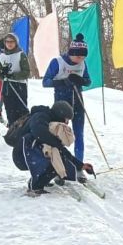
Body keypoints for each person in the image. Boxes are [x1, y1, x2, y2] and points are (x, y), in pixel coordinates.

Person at [10, 101, 94, 196]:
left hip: (28, 153)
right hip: (21, 155)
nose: (67, 122)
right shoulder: (41, 116)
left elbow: (60, 149)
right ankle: (35, 187)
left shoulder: (50, 122)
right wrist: (58, 144)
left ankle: (39, 180)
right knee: (54, 159)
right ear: (60, 114)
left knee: (57, 156)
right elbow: (40, 133)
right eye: (66, 119)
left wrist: (80, 165)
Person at [42, 34, 91, 168]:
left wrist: (81, 81)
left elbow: (88, 81)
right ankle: (58, 166)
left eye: (83, 57)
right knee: (59, 135)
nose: (80, 60)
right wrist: (63, 81)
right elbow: (45, 82)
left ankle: (78, 165)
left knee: (79, 134)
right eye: (78, 57)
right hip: (61, 104)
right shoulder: (57, 62)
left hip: (78, 101)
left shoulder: (82, 63)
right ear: (71, 53)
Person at [0, 32, 30, 128]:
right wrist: (2, 74)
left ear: (16, 43)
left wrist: (12, 76)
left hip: (19, 86)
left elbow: (26, 72)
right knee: (10, 111)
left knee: (22, 112)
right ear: (5, 43)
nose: (9, 44)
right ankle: (12, 132)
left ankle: (22, 133)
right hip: (7, 87)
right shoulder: (1, 56)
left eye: (12, 42)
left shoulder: (21, 54)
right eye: (7, 42)